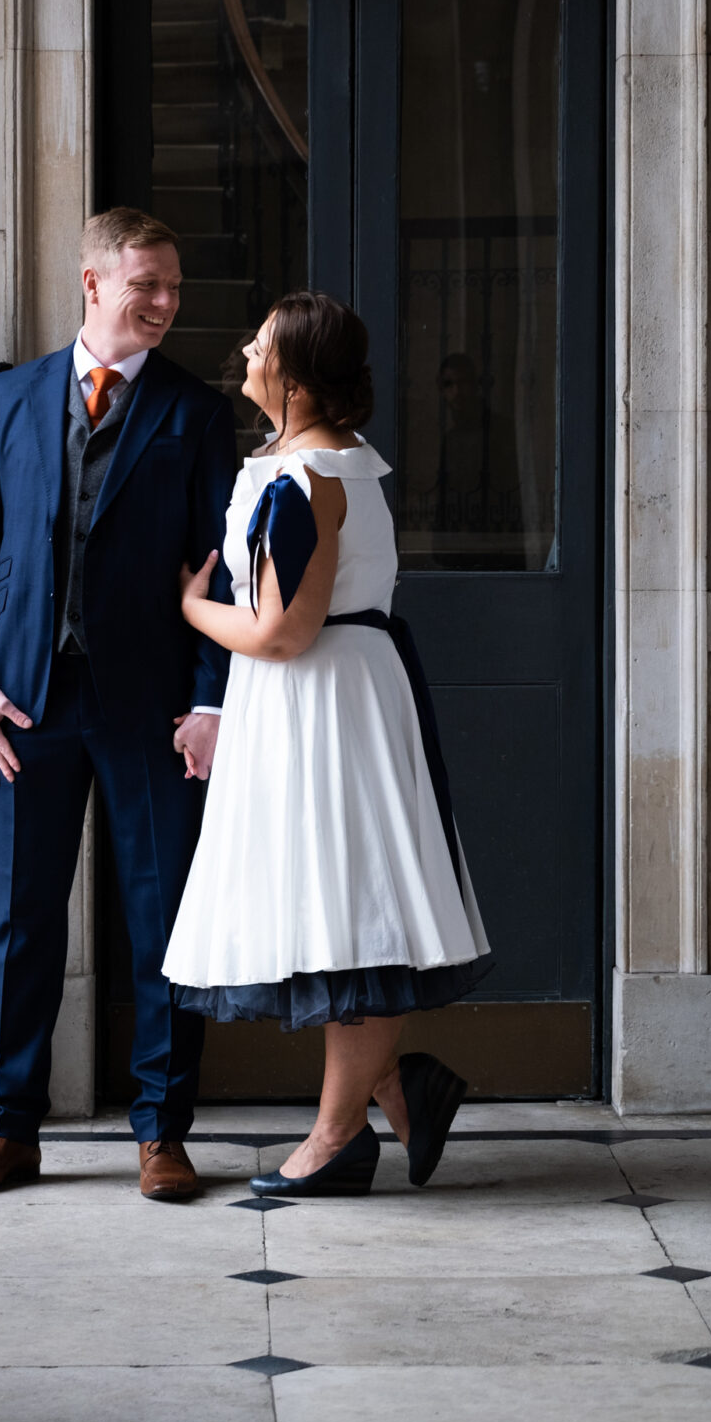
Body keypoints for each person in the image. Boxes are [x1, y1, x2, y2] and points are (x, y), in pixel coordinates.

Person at [163, 290, 491, 1195]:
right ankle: (394, 1084)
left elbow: (279, 633)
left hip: (324, 700)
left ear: (297, 380)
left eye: (260, 346)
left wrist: (193, 607)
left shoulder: (306, 478)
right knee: (330, 903)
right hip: (319, 699)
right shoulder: (301, 462)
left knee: (353, 913)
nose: (244, 353)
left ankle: (338, 1137)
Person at [0, 208, 235, 1202]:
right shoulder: (13, 398)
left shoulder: (193, 413)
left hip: (151, 708)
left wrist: (207, 702)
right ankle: (9, 1129)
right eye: (147, 283)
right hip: (27, 704)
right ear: (93, 283)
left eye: (175, 288)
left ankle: (162, 1131)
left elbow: (218, 572)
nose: (164, 303)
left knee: (162, 919)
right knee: (23, 917)